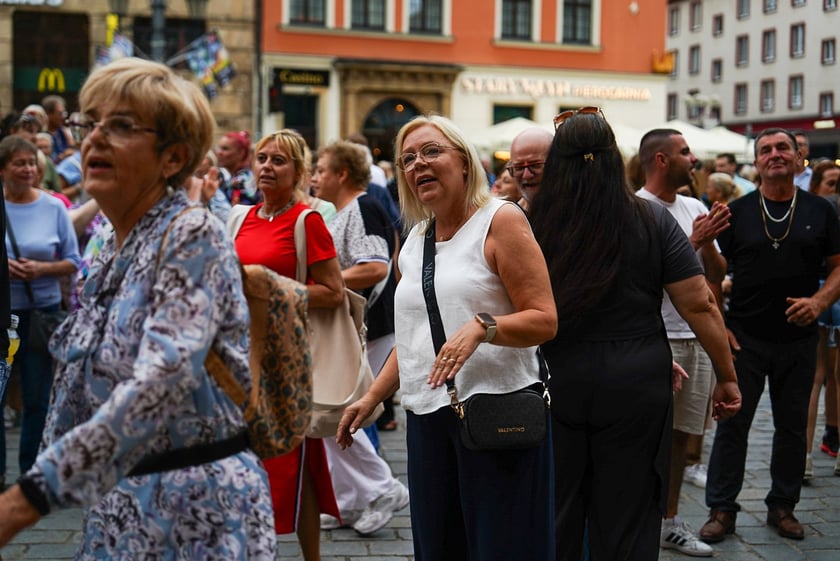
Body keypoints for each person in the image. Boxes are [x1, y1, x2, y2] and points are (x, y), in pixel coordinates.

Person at [0, 58, 276, 559]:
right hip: (121, 508)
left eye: (122, 125)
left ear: (172, 158)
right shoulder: (113, 248)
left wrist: (26, 499)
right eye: (91, 122)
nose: (94, 138)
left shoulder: (192, 233)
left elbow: (162, 377)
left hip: (195, 515)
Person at [337, 114, 558, 560]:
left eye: (432, 151)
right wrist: (373, 396)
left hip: (495, 412)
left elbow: (545, 319)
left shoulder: (502, 220)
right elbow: (415, 339)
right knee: (439, 547)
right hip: (428, 419)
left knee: (503, 547)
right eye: (407, 159)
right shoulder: (416, 239)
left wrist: (483, 327)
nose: (418, 164)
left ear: (463, 162)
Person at [528, 108, 741, 561]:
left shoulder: (532, 220)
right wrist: (727, 374)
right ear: (614, 157)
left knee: (559, 505)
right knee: (629, 509)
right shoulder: (652, 219)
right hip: (636, 376)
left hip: (555, 375)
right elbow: (700, 303)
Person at [700, 128, 840, 544]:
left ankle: (783, 506)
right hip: (743, 336)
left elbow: (838, 266)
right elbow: (712, 273)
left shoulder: (822, 210)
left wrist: (818, 302)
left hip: (798, 338)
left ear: (799, 159)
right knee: (732, 425)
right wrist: (718, 324)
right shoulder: (737, 211)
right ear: (757, 162)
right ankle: (721, 509)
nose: (775, 155)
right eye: (766, 150)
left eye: (783, 148)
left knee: (793, 427)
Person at [229, 128, 343, 561]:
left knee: (297, 466)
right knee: (246, 460)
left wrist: (276, 289)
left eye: (279, 160)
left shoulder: (307, 220)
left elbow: (333, 292)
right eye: (262, 158)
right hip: (240, 357)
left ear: (299, 170)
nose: (267, 167)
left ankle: (309, 556)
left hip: (290, 359)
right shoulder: (237, 217)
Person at [636, 128, 732, 558]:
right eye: (685, 152)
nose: (693, 159)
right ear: (661, 160)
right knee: (642, 435)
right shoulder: (638, 209)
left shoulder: (693, 205)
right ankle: (636, 518)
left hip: (692, 338)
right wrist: (691, 241)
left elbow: (716, 273)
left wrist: (707, 243)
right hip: (656, 337)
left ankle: (668, 520)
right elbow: (639, 282)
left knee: (680, 440)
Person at [310, 140, 409, 535]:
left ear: (342, 174)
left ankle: (383, 488)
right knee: (332, 413)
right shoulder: (344, 211)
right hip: (349, 328)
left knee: (338, 411)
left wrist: (321, 280)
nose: (314, 177)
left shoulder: (364, 206)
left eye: (320, 169)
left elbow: (375, 266)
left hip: (368, 326)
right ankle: (349, 501)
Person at [0, 136, 80, 494]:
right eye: (20, 163)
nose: (29, 170)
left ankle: (30, 473)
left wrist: (40, 269)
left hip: (40, 314)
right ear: (3, 169)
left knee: (37, 396)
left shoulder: (53, 208)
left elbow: (72, 261)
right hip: (5, 315)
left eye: (33, 163)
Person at [804, 159, 840, 480]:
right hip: (822, 292)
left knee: (823, 376)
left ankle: (808, 456)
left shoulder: (814, 208)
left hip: (824, 291)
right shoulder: (815, 210)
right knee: (820, 376)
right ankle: (805, 456)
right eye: (832, 184)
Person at [216, 130, 260, 205]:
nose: (219, 152)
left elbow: (237, 214)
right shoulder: (235, 177)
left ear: (241, 153)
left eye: (225, 149)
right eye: (219, 148)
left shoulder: (242, 180)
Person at [41, 95, 75, 163]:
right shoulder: (41, 136)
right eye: (60, 113)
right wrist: (61, 157)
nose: (63, 117)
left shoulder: (64, 133)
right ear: (48, 114)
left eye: (64, 113)